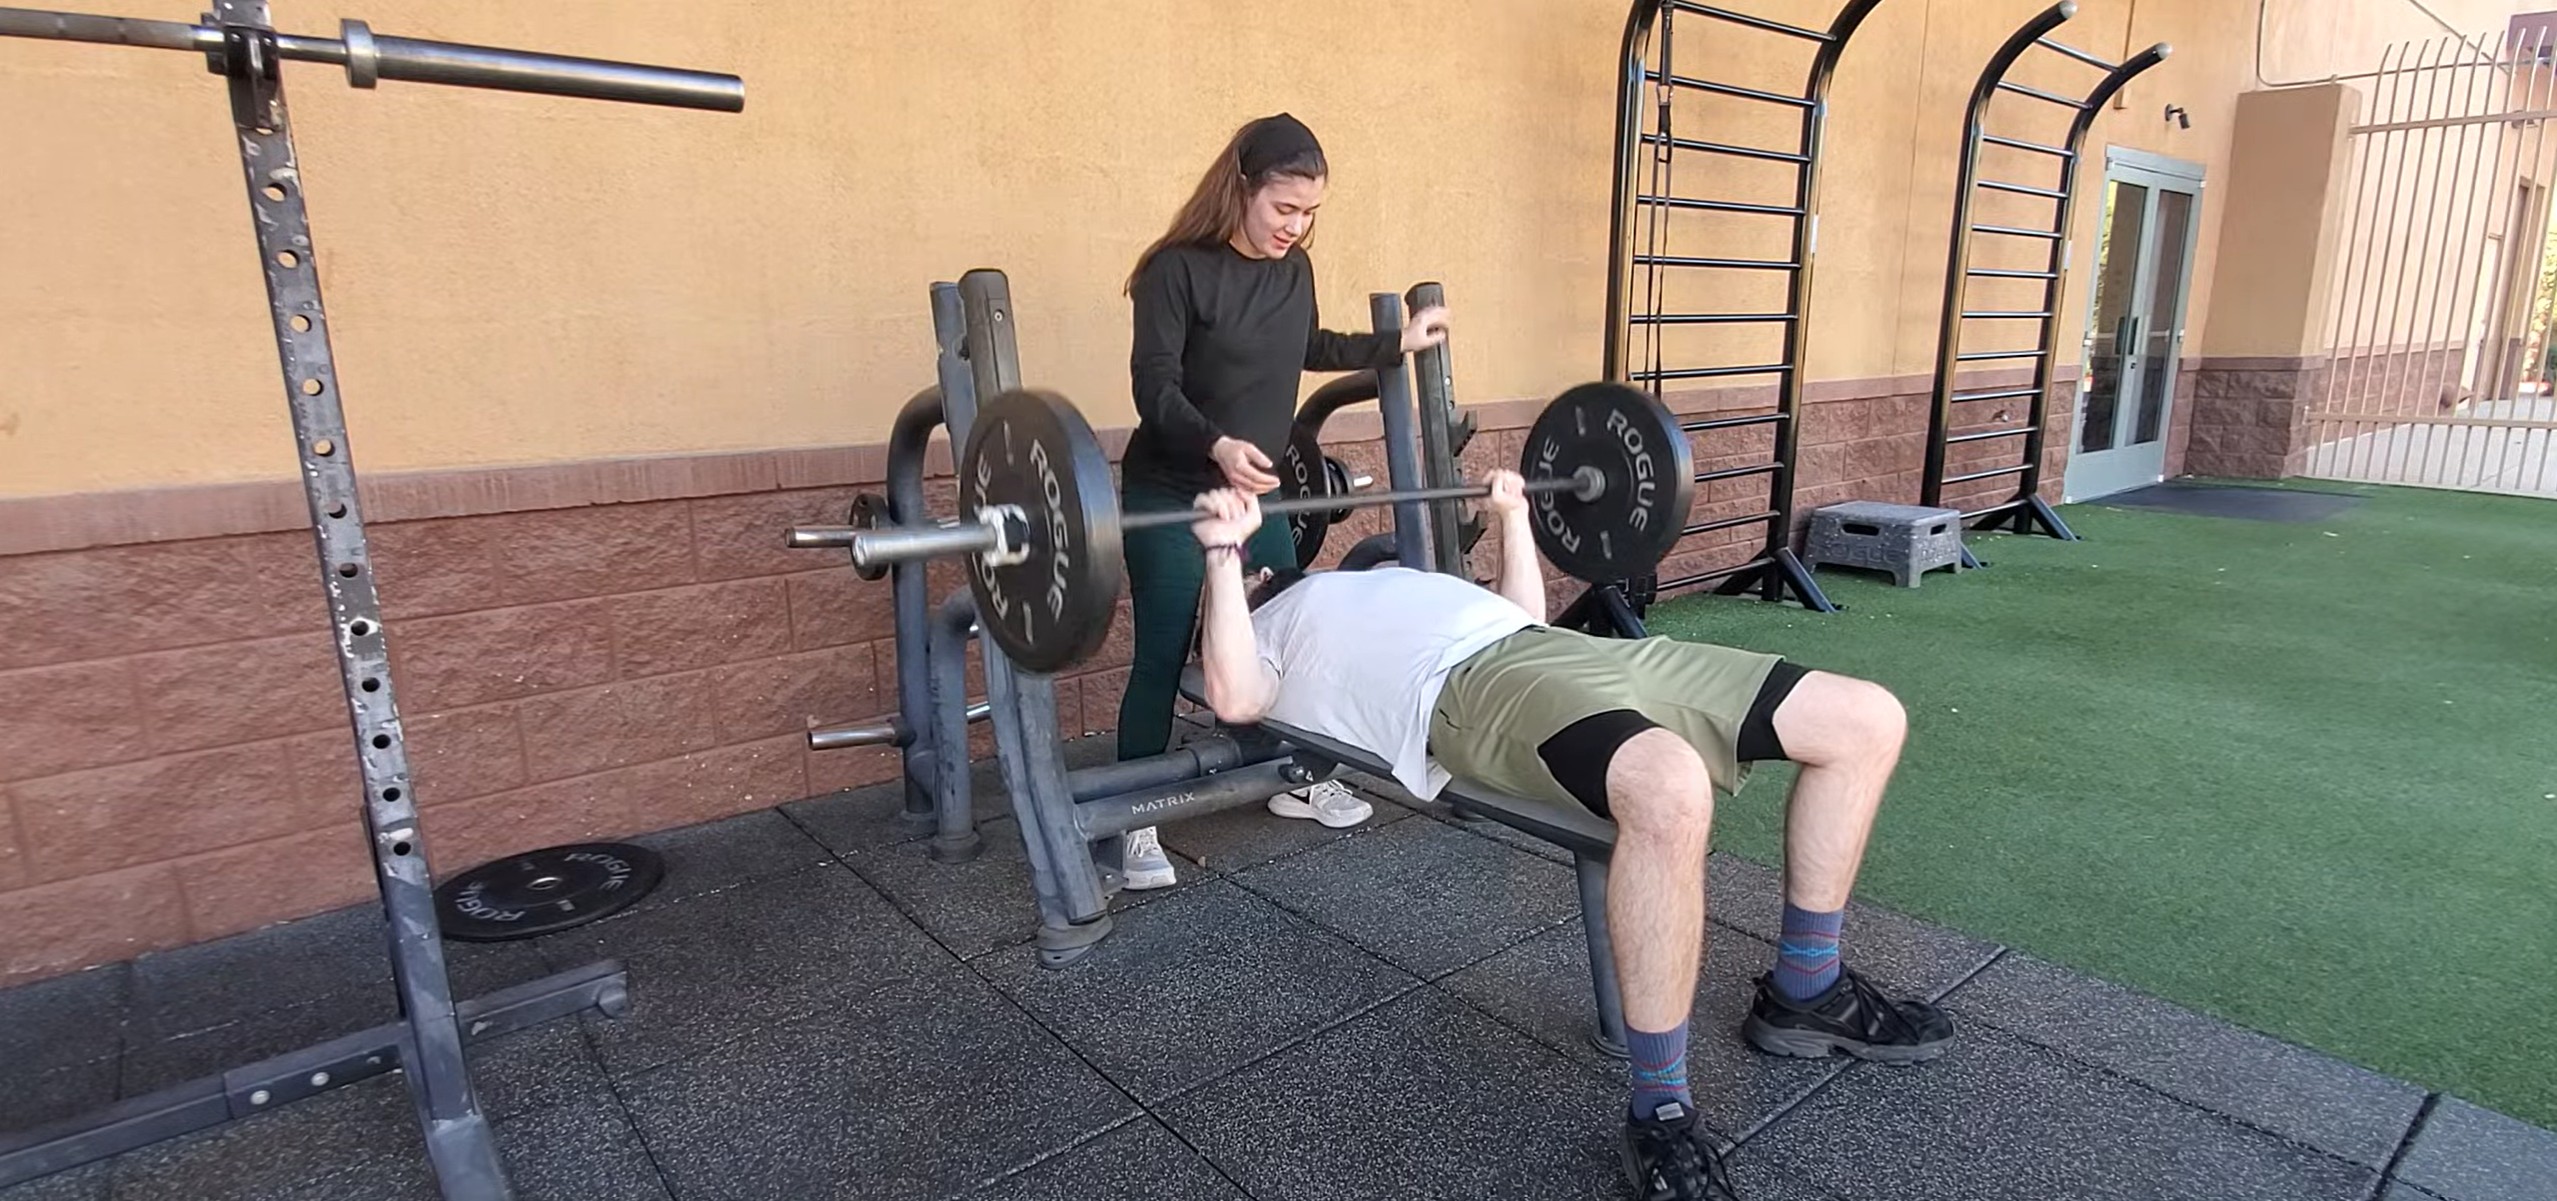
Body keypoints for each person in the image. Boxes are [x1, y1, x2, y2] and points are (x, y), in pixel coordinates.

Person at [1185, 478, 1955, 1201]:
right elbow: (1233, 693)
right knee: (1668, 784)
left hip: (1570, 652)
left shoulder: (1390, 577)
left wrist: (1514, 515)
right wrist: (1222, 557)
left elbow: (1523, 613)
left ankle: (1807, 988)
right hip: (1466, 691)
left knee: (1864, 717)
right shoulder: (1266, 621)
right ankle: (1660, 1110)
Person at [1113, 111, 1451, 889]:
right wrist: (1217, 445)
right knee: (1163, 655)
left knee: (1286, 632)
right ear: (1240, 189)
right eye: (1283, 209)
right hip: (1174, 494)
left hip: (1258, 496)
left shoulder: (1291, 269)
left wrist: (1392, 343)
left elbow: (1303, 346)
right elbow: (1152, 386)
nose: (1295, 228)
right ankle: (1133, 819)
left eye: (1310, 214)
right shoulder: (1175, 270)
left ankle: (1293, 775)